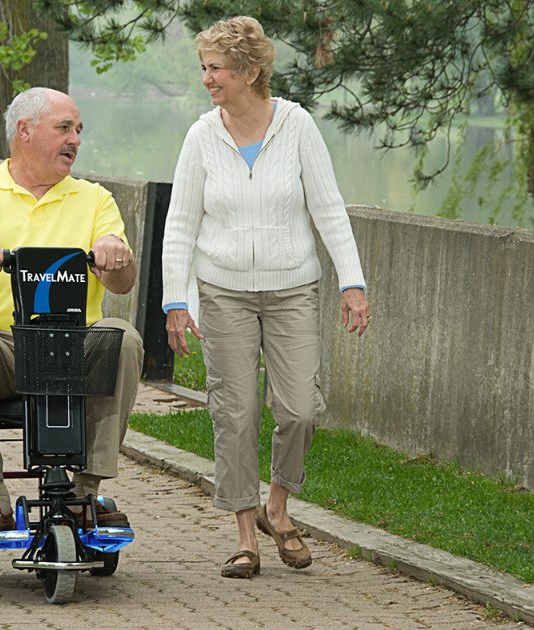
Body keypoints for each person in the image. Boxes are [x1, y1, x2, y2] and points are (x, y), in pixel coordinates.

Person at [161, 16, 370, 579]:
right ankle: (245, 534)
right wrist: (174, 301)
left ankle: (278, 505)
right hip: (223, 290)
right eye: (203, 67)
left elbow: (329, 209)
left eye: (217, 68)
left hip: (292, 287)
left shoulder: (297, 127)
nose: (207, 78)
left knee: (299, 409)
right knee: (236, 412)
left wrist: (353, 282)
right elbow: (180, 224)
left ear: (251, 71)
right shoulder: (202, 136)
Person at [0, 87, 144, 541]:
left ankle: (86, 491)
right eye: (64, 128)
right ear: (24, 131)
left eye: (78, 130)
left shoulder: (95, 199)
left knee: (122, 336)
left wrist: (115, 254)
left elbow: (124, 280)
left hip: (71, 347)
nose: (75, 139)